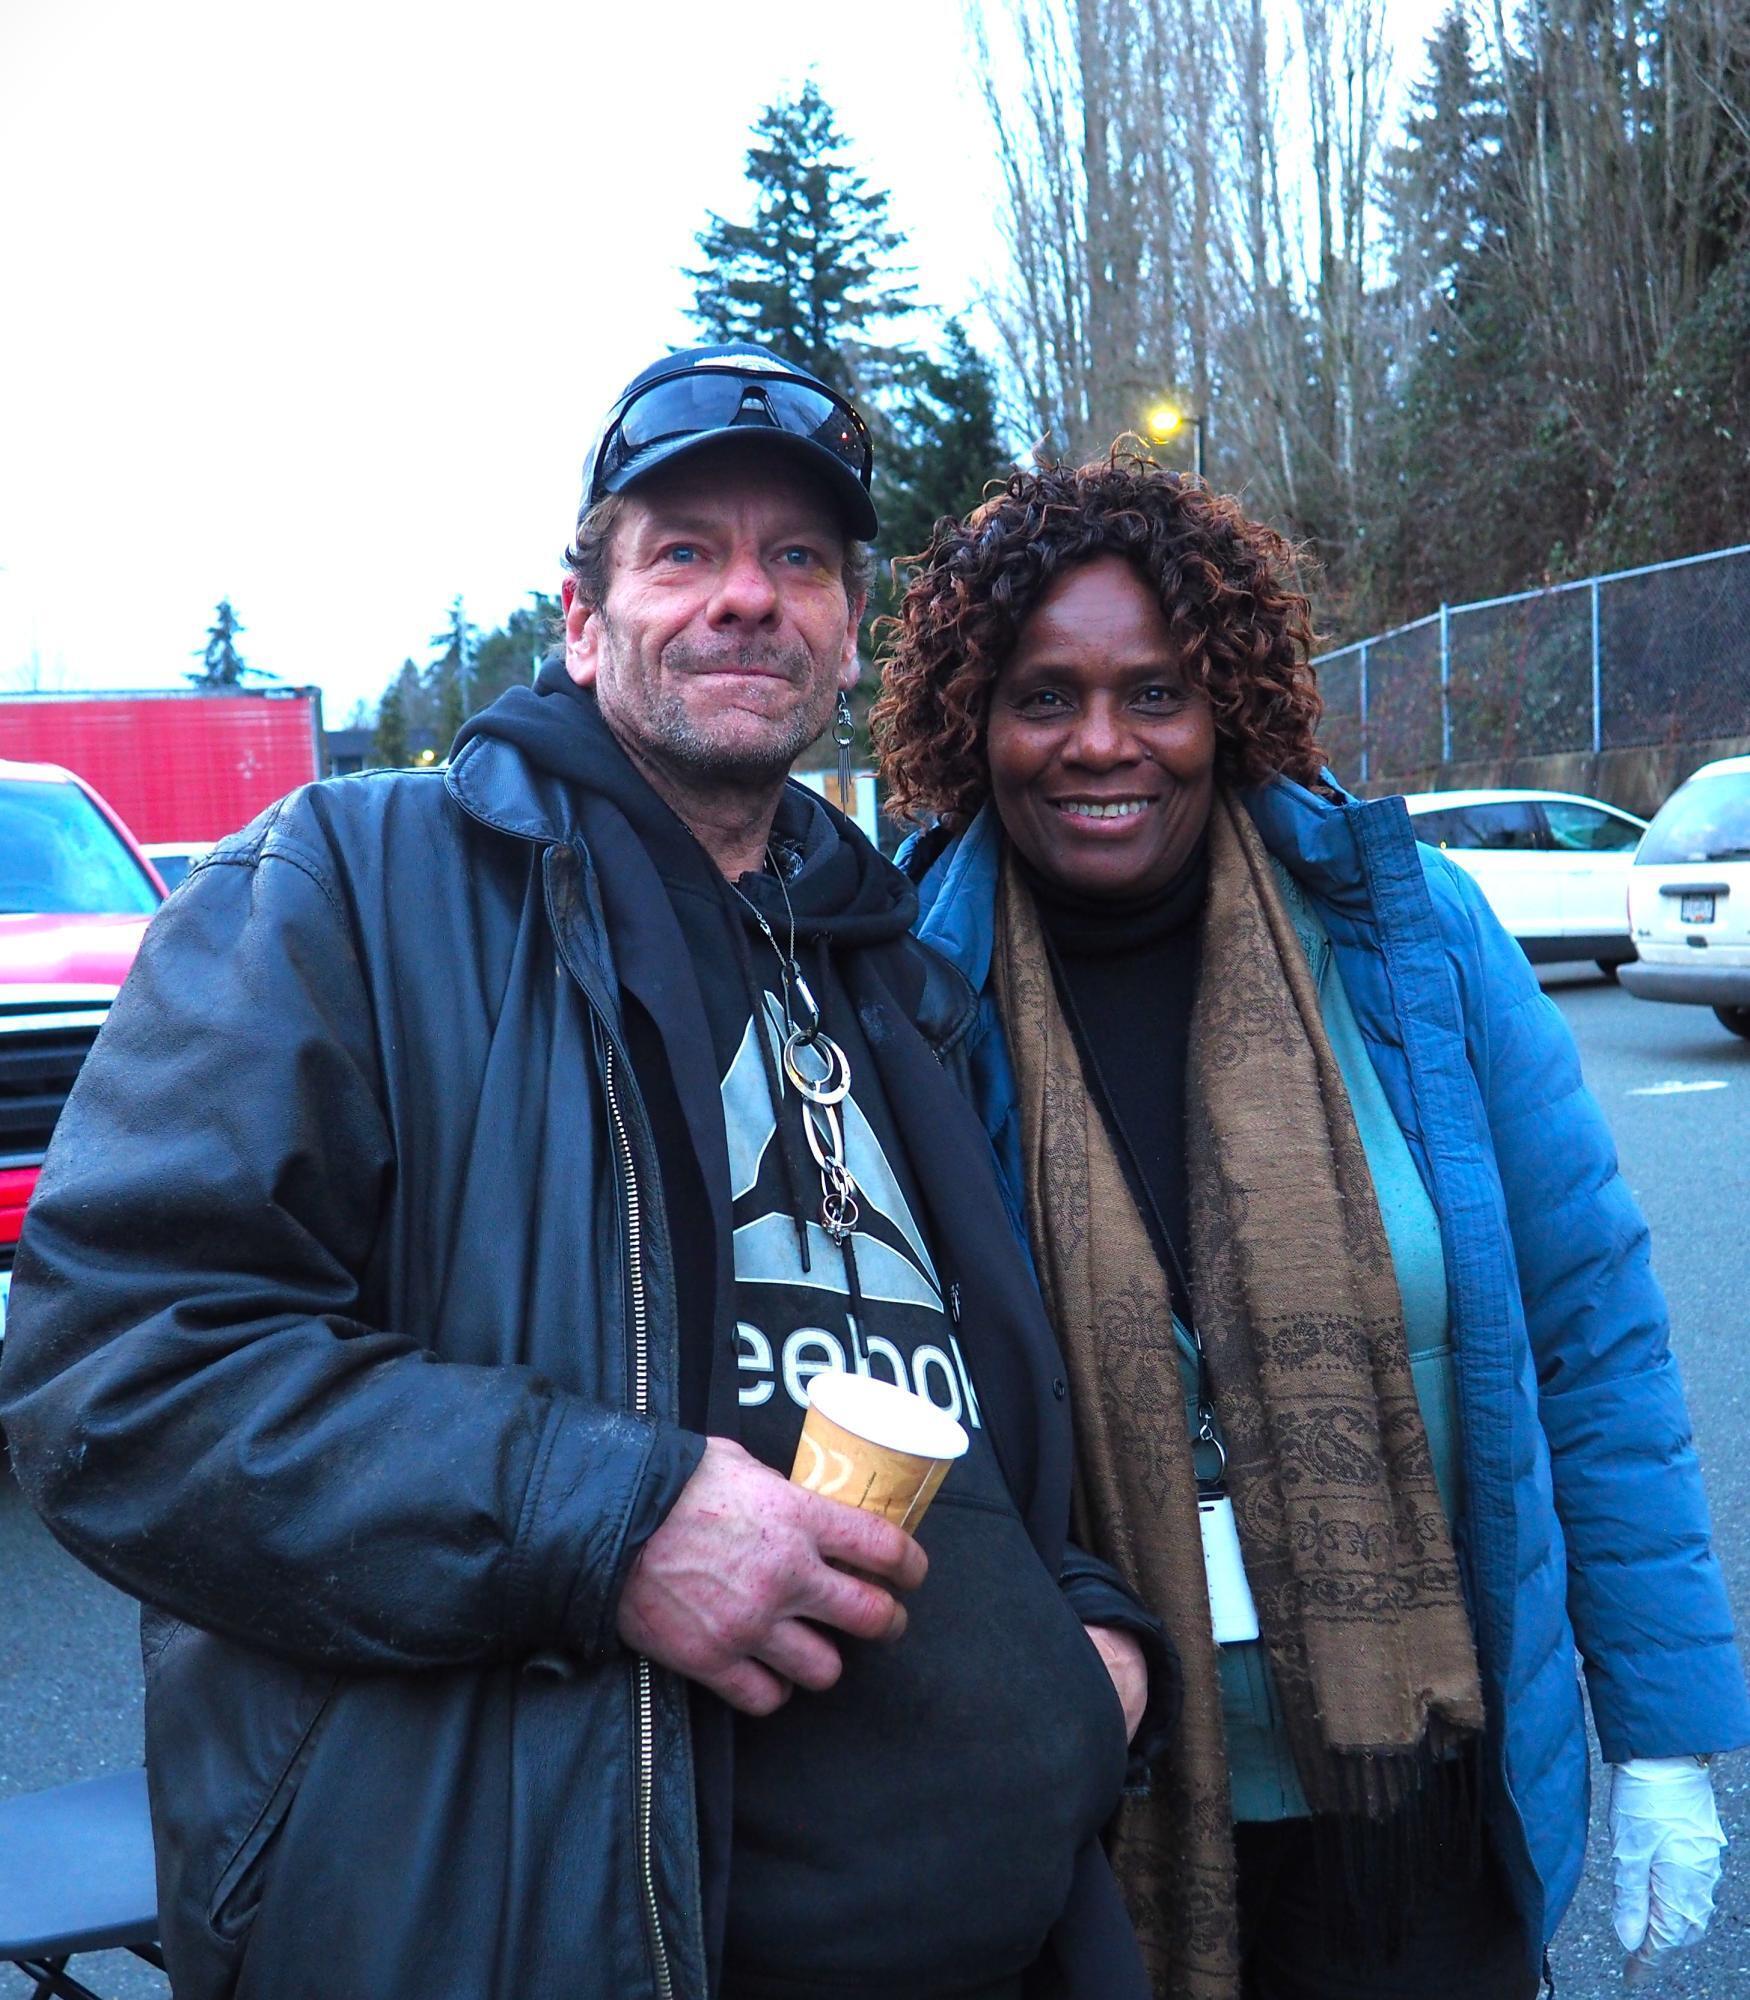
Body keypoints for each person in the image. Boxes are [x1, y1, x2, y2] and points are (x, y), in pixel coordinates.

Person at [0, 349, 1175, 2000]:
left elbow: (975, 1390)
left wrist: (1079, 1628)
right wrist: (607, 1522)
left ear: (852, 628)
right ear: (582, 617)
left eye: (800, 562)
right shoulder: (354, 887)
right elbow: (117, 1374)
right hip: (570, 1932)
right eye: (684, 550)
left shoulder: (890, 976)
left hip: (1002, 1936)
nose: (746, 599)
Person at [872, 450, 1749, 2000]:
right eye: (1042, 696)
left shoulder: (1408, 945)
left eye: (1154, 692)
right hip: (1070, 1826)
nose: (1099, 743)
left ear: (1231, 704)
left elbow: (1590, 1333)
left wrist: (1667, 1724)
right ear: (969, 719)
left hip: (1410, 1813)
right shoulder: (897, 995)